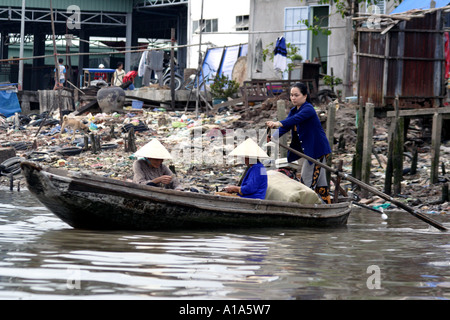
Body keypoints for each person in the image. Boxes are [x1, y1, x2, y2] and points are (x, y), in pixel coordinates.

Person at [266, 82, 332, 204]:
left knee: (306, 181)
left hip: (316, 150)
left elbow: (294, 120)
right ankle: (325, 205)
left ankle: (305, 207)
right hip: (306, 150)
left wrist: (278, 123)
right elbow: (286, 126)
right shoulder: (293, 110)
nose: (293, 98)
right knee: (320, 182)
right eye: (291, 95)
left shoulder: (308, 109)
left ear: (305, 96)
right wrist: (272, 137)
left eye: (296, 95)